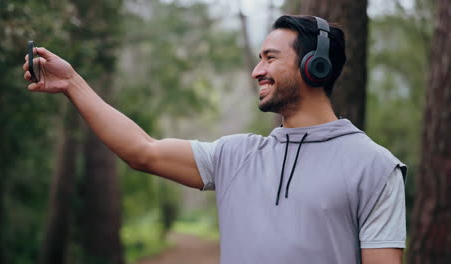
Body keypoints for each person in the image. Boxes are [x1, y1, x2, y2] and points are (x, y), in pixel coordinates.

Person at [24, 15, 406, 264]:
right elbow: (142, 151)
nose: (257, 71)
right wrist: (73, 83)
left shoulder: (374, 166)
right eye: (258, 58)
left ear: (314, 65)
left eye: (270, 58)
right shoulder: (236, 155)